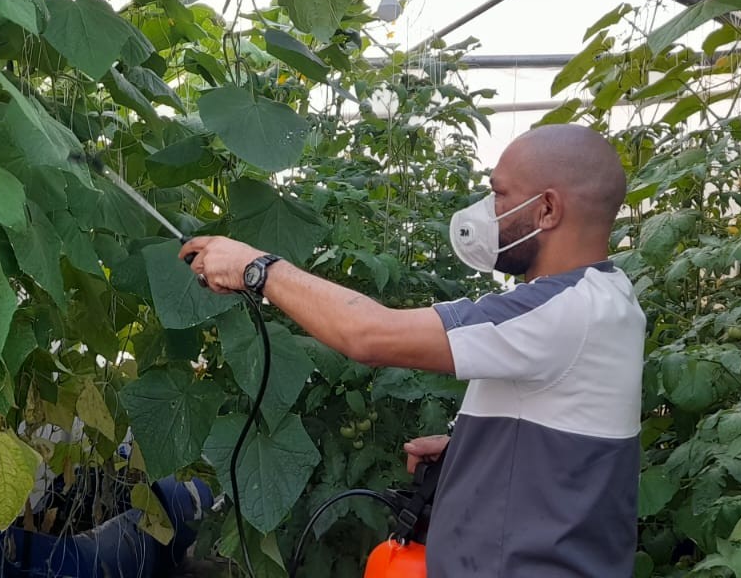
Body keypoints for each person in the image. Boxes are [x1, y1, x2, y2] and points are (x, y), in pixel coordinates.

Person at [181, 124, 646, 577]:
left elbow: (368, 336)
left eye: (500, 195)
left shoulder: (560, 309)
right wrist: (470, 452)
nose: (487, 210)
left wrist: (255, 267)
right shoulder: (606, 296)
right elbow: (568, 435)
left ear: (546, 209)